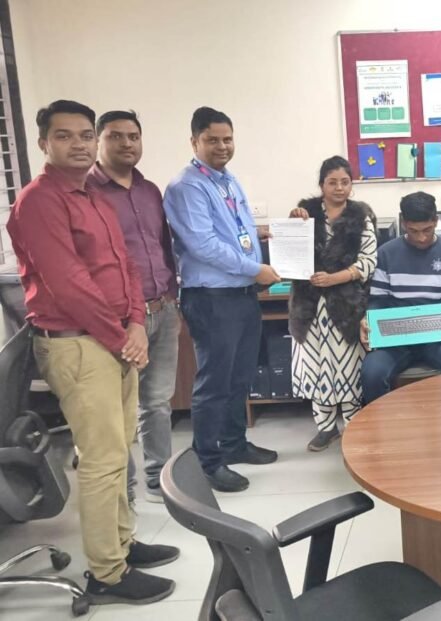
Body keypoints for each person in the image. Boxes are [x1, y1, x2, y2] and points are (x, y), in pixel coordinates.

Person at [7, 100, 178, 604]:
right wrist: (122, 335)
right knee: (102, 460)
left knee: (120, 448)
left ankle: (122, 544)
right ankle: (107, 573)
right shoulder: (39, 202)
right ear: (44, 143)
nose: (78, 144)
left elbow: (127, 267)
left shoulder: (95, 197)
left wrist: (135, 323)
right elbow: (68, 284)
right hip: (78, 345)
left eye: (84, 135)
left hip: (114, 337)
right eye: (65, 136)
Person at [163, 107, 281, 492]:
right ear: (194, 141)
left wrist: (263, 237)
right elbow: (203, 245)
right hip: (211, 298)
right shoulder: (187, 186)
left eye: (227, 139)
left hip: (241, 294)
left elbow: (234, 230)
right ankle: (208, 463)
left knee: (240, 376)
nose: (222, 146)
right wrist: (255, 268)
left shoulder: (227, 180)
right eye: (211, 139)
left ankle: (234, 444)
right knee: (214, 382)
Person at [87, 110, 179, 505]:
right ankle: (122, 492)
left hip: (163, 307)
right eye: (116, 136)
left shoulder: (149, 190)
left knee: (157, 402)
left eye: (133, 136)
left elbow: (163, 245)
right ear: (98, 140)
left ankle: (159, 479)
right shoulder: (86, 192)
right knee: (117, 409)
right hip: (119, 318)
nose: (127, 143)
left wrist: (173, 294)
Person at [288, 156, 378, 451]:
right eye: (332, 182)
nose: (339, 188)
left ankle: (353, 426)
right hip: (309, 305)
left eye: (345, 182)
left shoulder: (361, 217)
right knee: (316, 367)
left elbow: (368, 262)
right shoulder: (306, 213)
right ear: (321, 185)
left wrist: (334, 278)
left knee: (349, 368)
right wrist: (292, 224)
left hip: (346, 304)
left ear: (352, 185)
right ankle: (326, 428)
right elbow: (289, 252)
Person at [362, 191, 441, 403]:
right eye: (413, 231)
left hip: (439, 336)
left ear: (436, 221)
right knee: (372, 371)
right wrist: (368, 318)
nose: (421, 238)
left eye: (427, 230)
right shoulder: (386, 253)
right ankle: (376, 424)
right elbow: (378, 300)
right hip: (397, 337)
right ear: (404, 223)